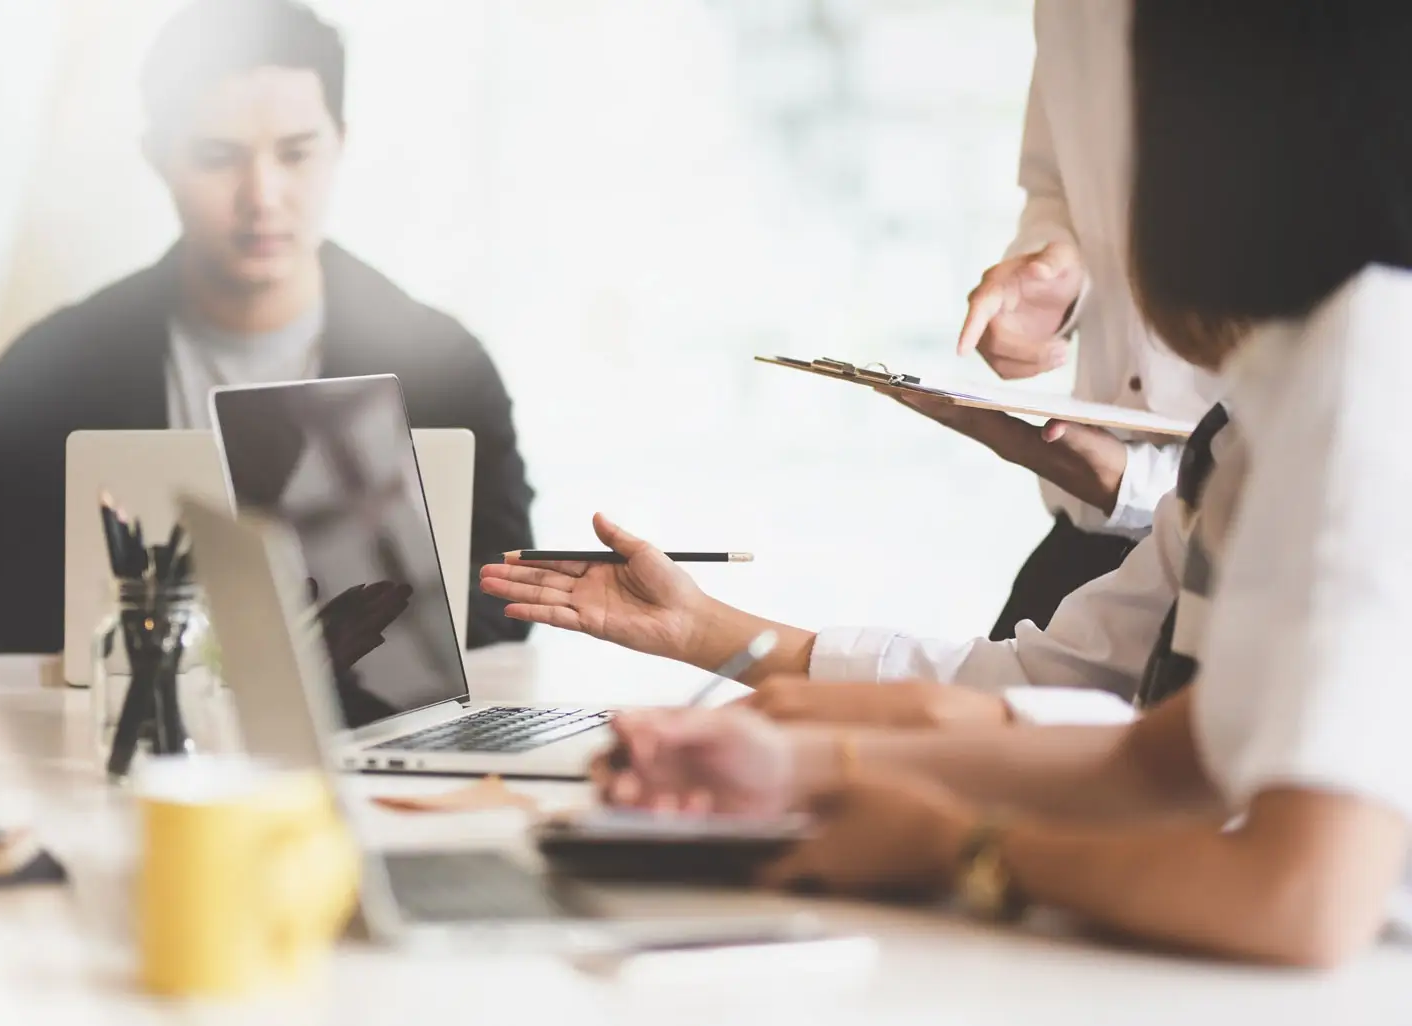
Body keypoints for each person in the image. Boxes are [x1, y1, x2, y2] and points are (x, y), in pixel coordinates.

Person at [578, 1, 1412, 967]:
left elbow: (1299, 901)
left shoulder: (1363, 377)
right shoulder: (1288, 393)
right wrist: (794, 764)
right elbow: (1161, 760)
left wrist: (957, 850)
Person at [0, 0, 535, 654]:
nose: (263, 196)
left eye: (296, 154)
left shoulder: (447, 369)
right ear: (158, 156)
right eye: (219, 156)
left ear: (341, 143)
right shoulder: (45, 376)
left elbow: (506, 608)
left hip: (367, 741)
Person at [909, 1, 1218, 641]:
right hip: (1092, 535)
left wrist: (1140, 484)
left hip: (1261, 561)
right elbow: (1056, 187)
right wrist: (1058, 276)